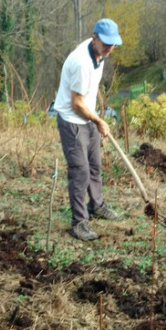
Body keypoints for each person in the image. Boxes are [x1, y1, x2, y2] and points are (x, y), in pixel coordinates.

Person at [53, 18, 123, 241]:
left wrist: (95, 118)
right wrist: (99, 120)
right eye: (105, 44)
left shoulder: (99, 54)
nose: (109, 48)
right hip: (73, 119)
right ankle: (79, 222)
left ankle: (97, 205)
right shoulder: (81, 62)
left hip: (89, 117)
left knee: (94, 165)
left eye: (113, 44)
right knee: (80, 170)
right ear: (94, 38)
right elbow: (76, 103)